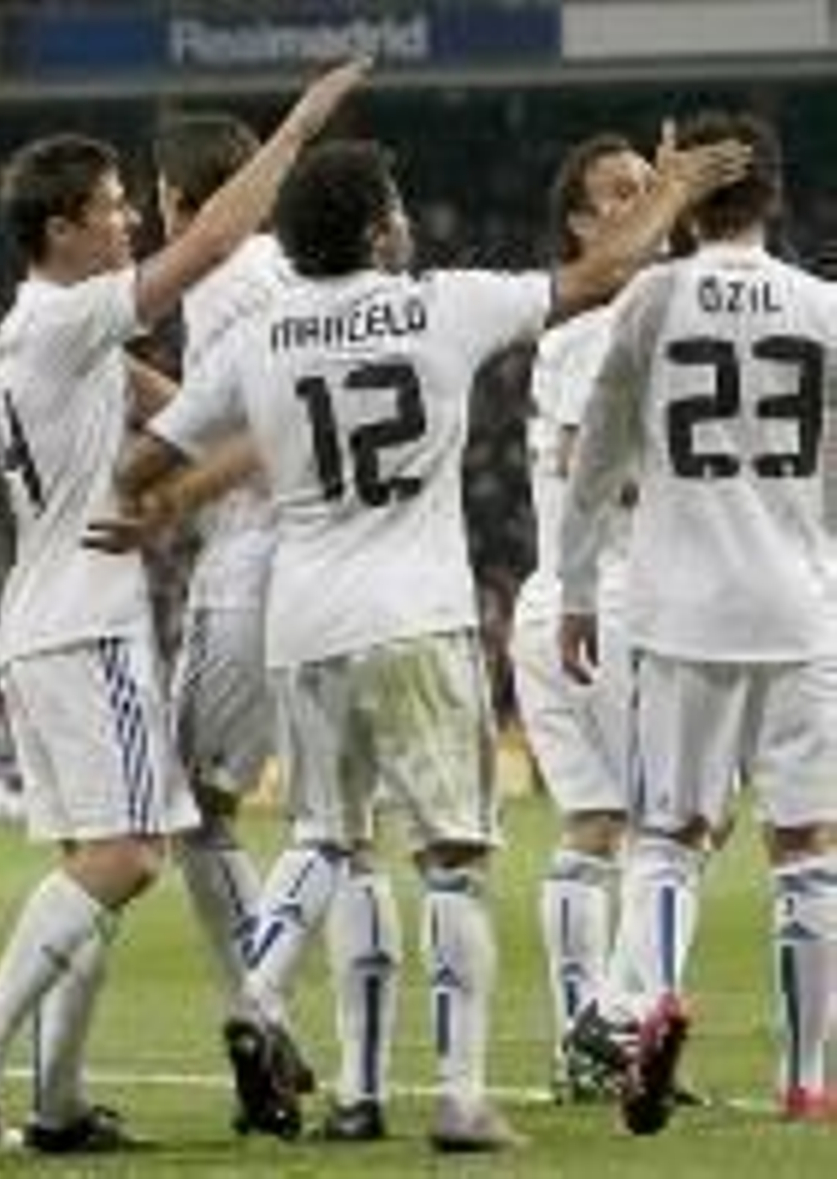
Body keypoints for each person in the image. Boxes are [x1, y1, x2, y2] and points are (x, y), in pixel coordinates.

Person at [112, 128, 747, 1151]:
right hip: (416, 616)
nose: (407, 216)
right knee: (452, 862)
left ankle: (256, 994)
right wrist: (667, 193)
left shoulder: (257, 336)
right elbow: (596, 276)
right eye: (395, 202)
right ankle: (458, 1098)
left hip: (302, 625)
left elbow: (149, 458)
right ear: (377, 226)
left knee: (322, 838)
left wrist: (148, 504)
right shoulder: (439, 304)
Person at [0, 58, 372, 1168]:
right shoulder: (76, 311)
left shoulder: (35, 326)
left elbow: (154, 399)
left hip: (40, 623)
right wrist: (301, 124)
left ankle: (59, 1105)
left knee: (103, 864)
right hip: (87, 626)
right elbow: (216, 240)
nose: (130, 214)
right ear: (67, 227)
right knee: (131, 857)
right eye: (114, 202)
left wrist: (201, 461)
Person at [560, 110, 837, 1133]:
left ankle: (653, 1008)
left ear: (687, 189)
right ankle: (805, 1080)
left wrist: (576, 587)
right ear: (771, 194)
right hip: (801, 606)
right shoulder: (823, 307)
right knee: (807, 849)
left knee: (668, 838)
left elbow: (595, 457)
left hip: (681, 610)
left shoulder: (649, 300)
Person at [151, 112, 403, 1142]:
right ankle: (349, 1066)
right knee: (340, 830)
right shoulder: (287, 271)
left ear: (179, 197)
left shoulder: (219, 277)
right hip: (347, 571)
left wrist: (164, 492)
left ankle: (263, 1007)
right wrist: (138, 385)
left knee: (194, 807)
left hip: (253, 565)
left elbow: (258, 428)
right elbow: (239, 405)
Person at [509, 133, 654, 1100]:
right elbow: (581, 462)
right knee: (681, 829)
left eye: (651, 182)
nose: (645, 196)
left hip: (555, 607)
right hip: (606, 609)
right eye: (620, 190)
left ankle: (583, 1039)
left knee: (595, 825)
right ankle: (610, 1020)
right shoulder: (595, 331)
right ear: (580, 223)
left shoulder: (608, 325)